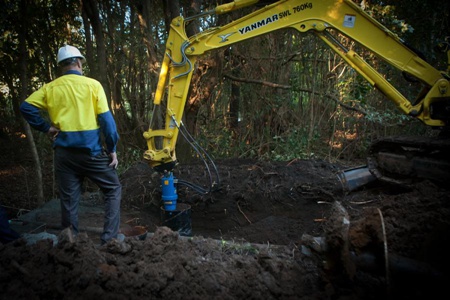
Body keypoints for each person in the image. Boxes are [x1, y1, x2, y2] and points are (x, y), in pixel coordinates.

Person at [20, 45, 122, 245]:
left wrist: (46, 128)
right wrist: (112, 150)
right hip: (91, 152)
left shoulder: (51, 87)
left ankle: (69, 243)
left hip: (64, 155)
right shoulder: (93, 85)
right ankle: (109, 240)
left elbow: (26, 107)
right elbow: (109, 125)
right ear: (78, 62)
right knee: (113, 189)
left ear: (61, 66)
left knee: (68, 200)